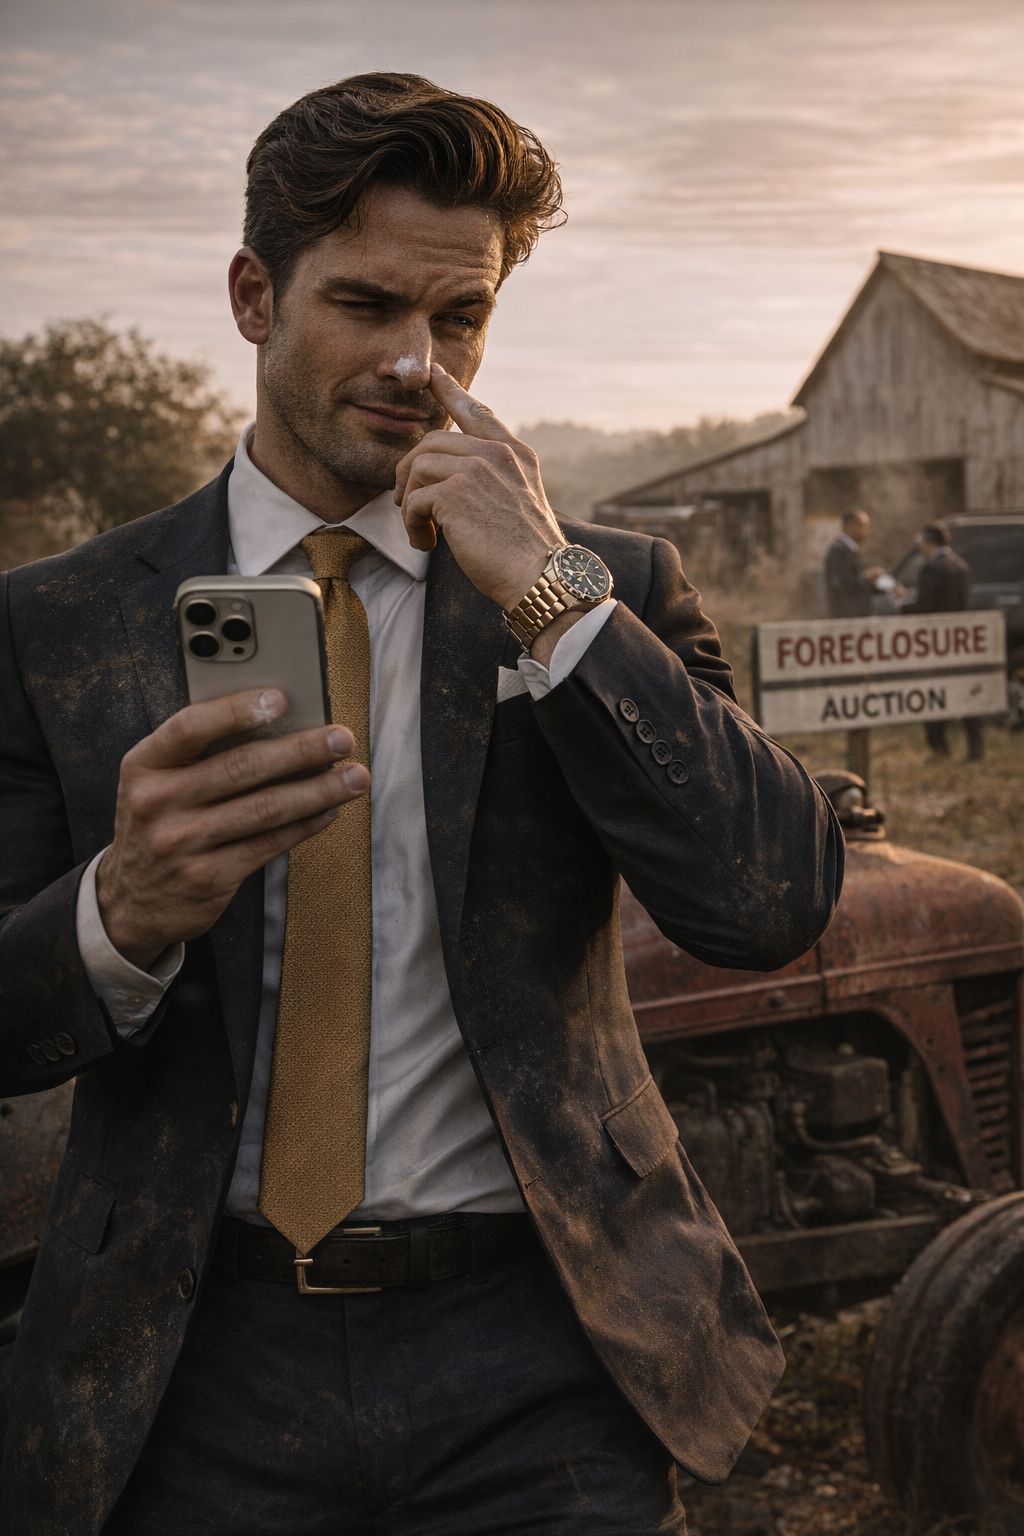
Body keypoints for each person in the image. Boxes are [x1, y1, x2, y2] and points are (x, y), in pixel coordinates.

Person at [0, 74, 843, 1535]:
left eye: (461, 318)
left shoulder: (609, 585)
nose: (416, 362)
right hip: (185, 1358)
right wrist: (118, 915)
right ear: (254, 296)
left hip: (543, 1347)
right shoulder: (57, 626)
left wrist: (556, 598)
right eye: (366, 304)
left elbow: (767, 905)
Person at [902, 521, 983, 760]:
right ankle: (975, 747)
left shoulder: (931, 568)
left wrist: (903, 605)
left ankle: (939, 748)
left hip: (935, 644)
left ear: (928, 543)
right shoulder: (961, 566)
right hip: (959, 642)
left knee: (933, 694)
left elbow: (924, 606)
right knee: (966, 694)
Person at [824, 508, 885, 617]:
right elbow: (842, 585)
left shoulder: (848, 550)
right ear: (851, 525)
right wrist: (866, 578)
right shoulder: (839, 550)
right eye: (863, 526)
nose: (866, 531)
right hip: (847, 617)